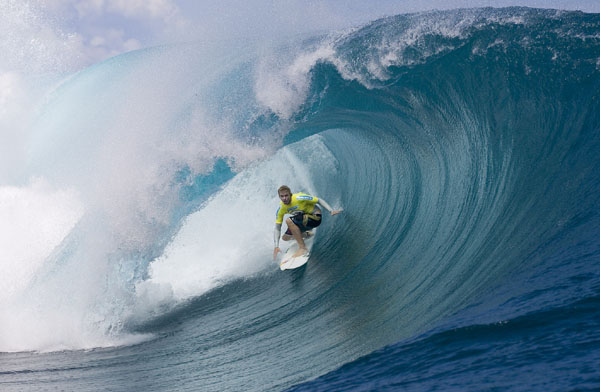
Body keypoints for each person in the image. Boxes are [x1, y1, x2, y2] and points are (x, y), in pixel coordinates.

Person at [273, 185, 342, 260]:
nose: (284, 198)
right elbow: (277, 228)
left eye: (286, 195)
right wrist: (276, 246)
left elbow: (318, 200)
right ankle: (306, 234)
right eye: (282, 196)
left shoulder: (299, 198)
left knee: (289, 221)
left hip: (315, 218)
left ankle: (302, 248)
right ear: (279, 197)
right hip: (303, 220)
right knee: (285, 238)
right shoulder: (281, 209)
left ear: (290, 194)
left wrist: (331, 210)